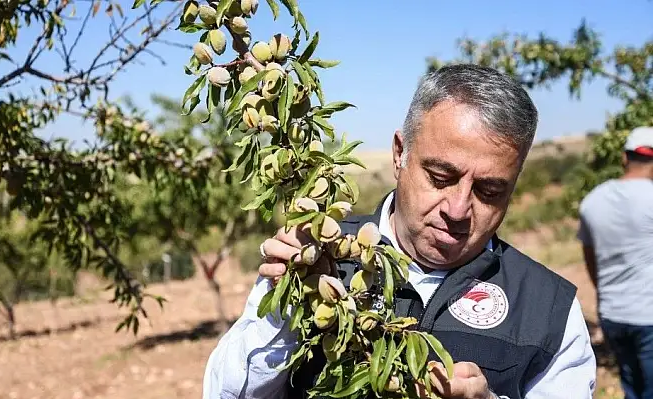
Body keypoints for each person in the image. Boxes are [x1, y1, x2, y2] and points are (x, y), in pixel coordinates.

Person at [203, 64, 597, 399]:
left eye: (489, 191)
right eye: (440, 177)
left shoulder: (549, 309)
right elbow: (226, 392)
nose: (458, 210)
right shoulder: (319, 256)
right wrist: (287, 310)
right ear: (399, 154)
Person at [577, 126, 653, 399]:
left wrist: (604, 289)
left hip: (612, 313)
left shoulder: (592, 201)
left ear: (624, 158)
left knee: (631, 385)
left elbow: (590, 256)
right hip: (649, 316)